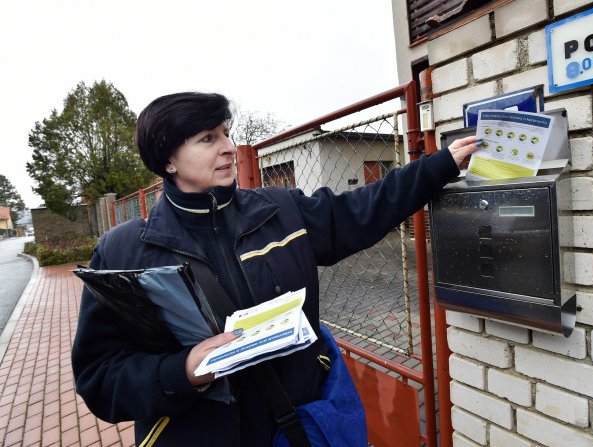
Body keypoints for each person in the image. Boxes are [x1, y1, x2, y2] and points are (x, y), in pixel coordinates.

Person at [71, 92, 480, 446]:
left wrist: (440, 165)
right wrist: (182, 371)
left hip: (294, 429)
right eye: (207, 138)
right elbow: (99, 376)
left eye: (226, 133)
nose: (228, 147)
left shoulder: (278, 211)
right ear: (168, 160)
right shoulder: (124, 251)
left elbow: (361, 210)